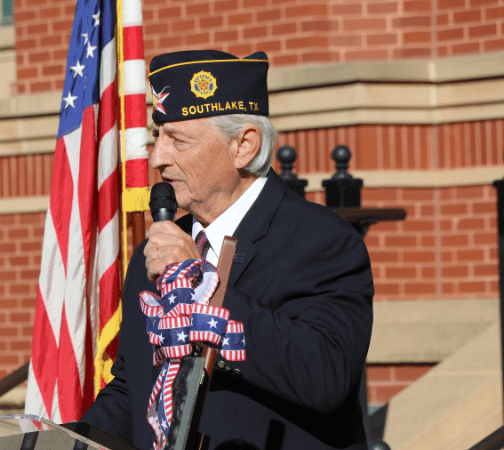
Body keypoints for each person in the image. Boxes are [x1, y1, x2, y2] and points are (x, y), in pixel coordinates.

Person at [81, 50, 374, 450]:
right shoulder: (156, 252)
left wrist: (199, 280)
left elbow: (325, 376)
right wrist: (63, 441)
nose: (157, 159)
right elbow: (133, 390)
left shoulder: (322, 241)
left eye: (177, 140)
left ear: (244, 146)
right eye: (156, 137)